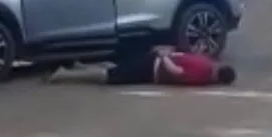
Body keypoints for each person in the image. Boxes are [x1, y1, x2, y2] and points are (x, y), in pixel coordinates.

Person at [47, 47, 237, 87]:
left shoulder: (208, 62)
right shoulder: (203, 75)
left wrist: (167, 53)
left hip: (156, 59)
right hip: (153, 69)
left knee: (117, 66)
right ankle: (65, 75)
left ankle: (81, 66)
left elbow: (186, 57)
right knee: (109, 75)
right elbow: (176, 73)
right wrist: (165, 58)